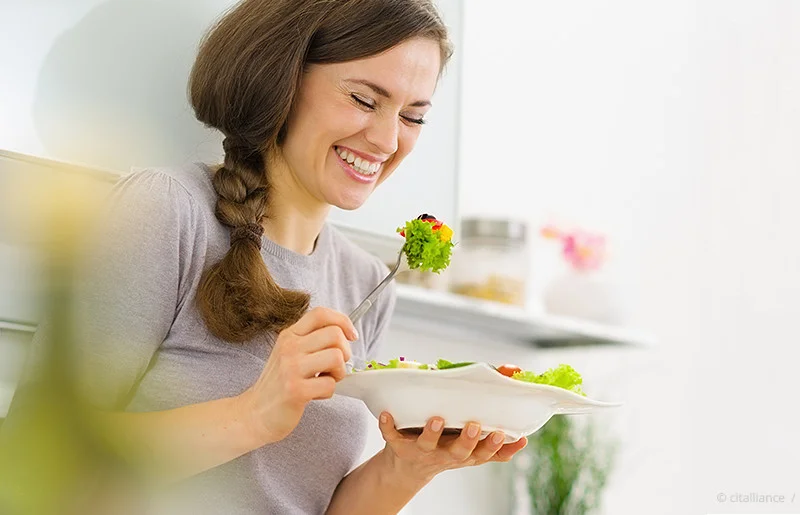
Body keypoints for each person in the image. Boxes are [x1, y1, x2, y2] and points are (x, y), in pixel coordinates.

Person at [6, 1, 527, 514]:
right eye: (365, 100)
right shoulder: (168, 212)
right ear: (280, 81)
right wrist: (253, 414)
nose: (388, 139)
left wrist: (408, 467)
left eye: (414, 115)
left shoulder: (365, 280)